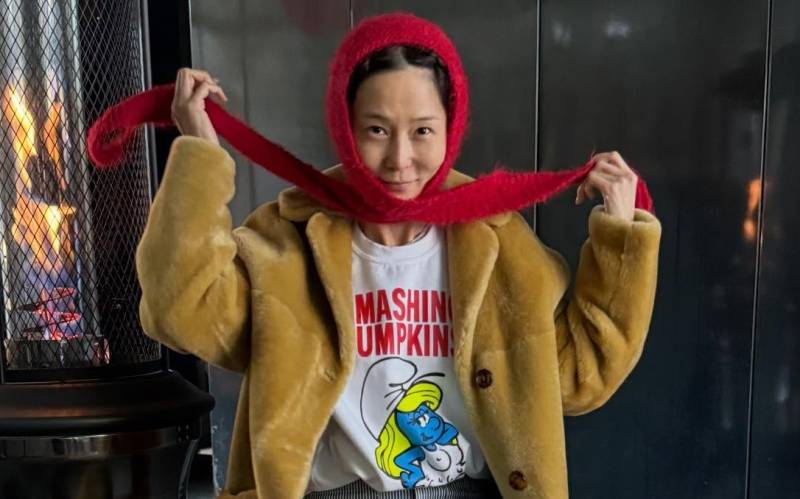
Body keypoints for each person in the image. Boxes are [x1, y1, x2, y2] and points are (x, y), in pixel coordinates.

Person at [135, 13, 661, 499]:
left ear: (450, 128)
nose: (400, 159)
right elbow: (181, 311)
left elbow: (579, 377)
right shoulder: (287, 243)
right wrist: (200, 154)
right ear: (346, 128)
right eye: (377, 130)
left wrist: (620, 235)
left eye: (422, 130)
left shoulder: (499, 247)